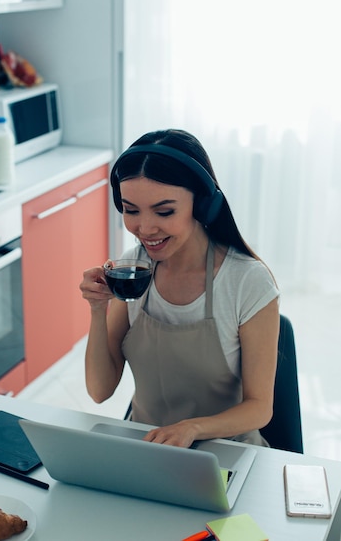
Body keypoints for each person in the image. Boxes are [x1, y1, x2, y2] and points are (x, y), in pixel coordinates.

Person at [80, 129, 280, 448]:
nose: (144, 228)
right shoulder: (134, 269)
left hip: (228, 451)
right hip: (147, 447)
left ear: (202, 205)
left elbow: (260, 408)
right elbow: (99, 391)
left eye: (164, 211)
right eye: (131, 210)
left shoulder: (247, 281)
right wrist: (97, 308)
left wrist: (192, 428)